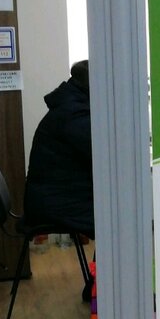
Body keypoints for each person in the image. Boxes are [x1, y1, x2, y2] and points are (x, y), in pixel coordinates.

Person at [23, 59, 95, 237]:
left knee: (115, 208)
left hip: (52, 199)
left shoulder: (71, 105)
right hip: (57, 205)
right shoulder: (74, 114)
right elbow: (103, 156)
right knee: (117, 214)